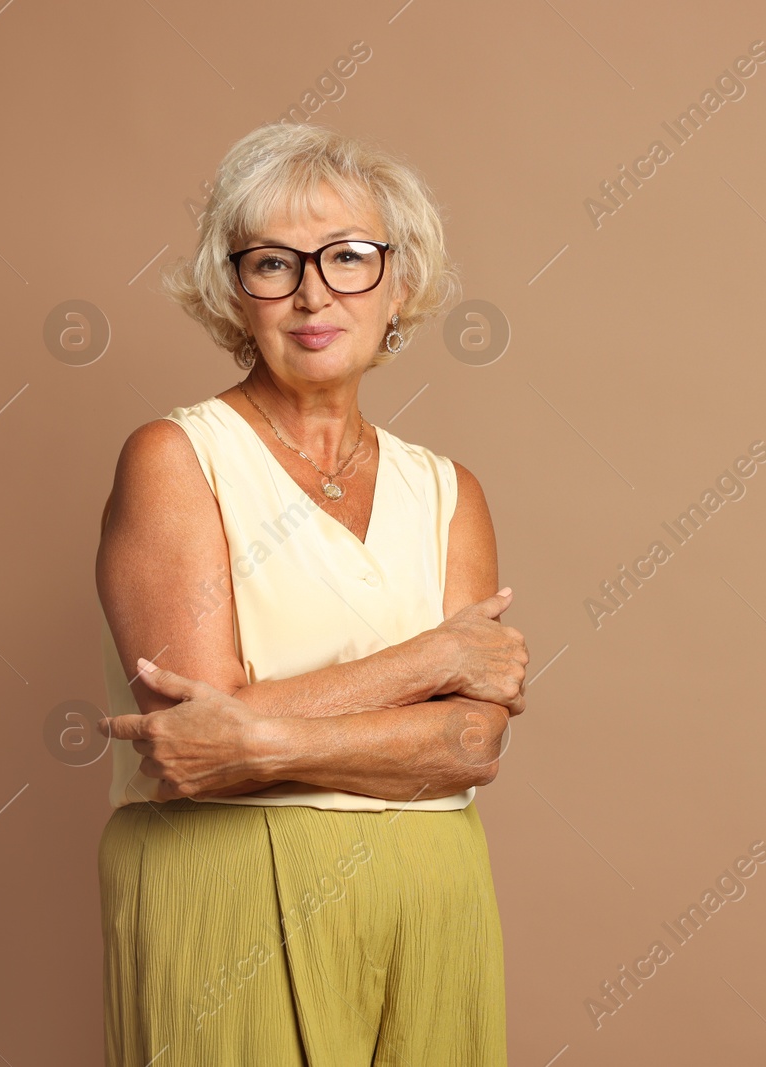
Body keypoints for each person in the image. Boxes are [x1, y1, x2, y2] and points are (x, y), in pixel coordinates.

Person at [93, 121, 528, 1065]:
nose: (314, 291)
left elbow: (472, 742)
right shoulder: (177, 459)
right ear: (232, 289)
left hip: (433, 892)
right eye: (273, 263)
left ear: (399, 282)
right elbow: (189, 750)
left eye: (349, 257)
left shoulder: (451, 492)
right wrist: (433, 661)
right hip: (227, 890)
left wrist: (264, 734)